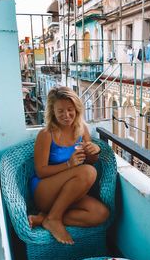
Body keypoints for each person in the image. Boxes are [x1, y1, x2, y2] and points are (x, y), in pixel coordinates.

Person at [28, 86, 109, 245]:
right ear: (53, 112)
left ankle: (47, 217)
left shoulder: (82, 129)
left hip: (70, 191)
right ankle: (53, 218)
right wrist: (69, 164)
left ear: (77, 109)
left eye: (70, 110)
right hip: (44, 191)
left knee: (101, 214)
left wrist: (95, 151)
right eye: (60, 111)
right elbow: (40, 172)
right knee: (88, 172)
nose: (66, 115)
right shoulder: (46, 134)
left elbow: (90, 160)